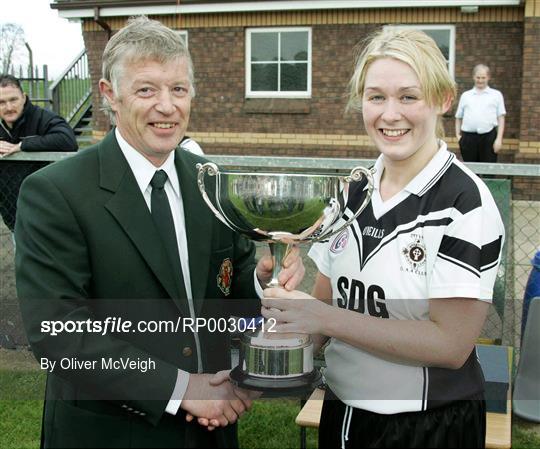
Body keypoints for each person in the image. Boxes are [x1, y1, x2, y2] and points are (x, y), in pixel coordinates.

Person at [15, 16, 304, 449]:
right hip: (110, 432)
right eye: (146, 89)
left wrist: (263, 282)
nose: (167, 106)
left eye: (179, 89)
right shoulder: (54, 192)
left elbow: (230, 289)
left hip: (210, 432)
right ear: (109, 94)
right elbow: (58, 332)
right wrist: (184, 388)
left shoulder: (212, 183)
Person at [263, 29, 505, 448]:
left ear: (444, 99)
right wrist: (284, 316)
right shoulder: (353, 191)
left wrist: (324, 319)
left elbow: (450, 344)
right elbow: (326, 304)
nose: (390, 114)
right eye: (376, 97)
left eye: (408, 97)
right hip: (342, 410)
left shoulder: (466, 203)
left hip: (428, 424)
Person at [0, 74, 78, 232]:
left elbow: (67, 140)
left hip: (44, 210)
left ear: (24, 97)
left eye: (13, 100)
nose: (8, 107)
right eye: (1, 102)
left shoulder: (42, 118)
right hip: (11, 212)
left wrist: (23, 145)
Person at [455, 64, 506, 162]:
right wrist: (458, 136)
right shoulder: (466, 96)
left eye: (483, 77)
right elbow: (458, 117)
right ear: (473, 77)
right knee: (470, 171)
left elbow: (501, 118)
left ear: (488, 78)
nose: (480, 80)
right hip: (468, 138)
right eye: (478, 77)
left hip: (488, 137)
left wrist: (499, 139)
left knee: (489, 170)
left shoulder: (496, 95)